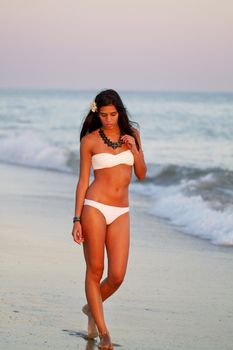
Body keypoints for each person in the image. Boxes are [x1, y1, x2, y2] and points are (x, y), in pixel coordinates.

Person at [72, 89, 147, 349]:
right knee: (95, 271)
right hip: (94, 206)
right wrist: (76, 218)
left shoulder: (133, 136)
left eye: (113, 114)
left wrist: (134, 149)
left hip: (121, 211)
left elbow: (141, 173)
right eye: (103, 115)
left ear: (120, 112)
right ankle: (104, 334)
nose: (108, 119)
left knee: (116, 276)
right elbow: (83, 182)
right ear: (97, 113)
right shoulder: (90, 141)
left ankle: (91, 308)